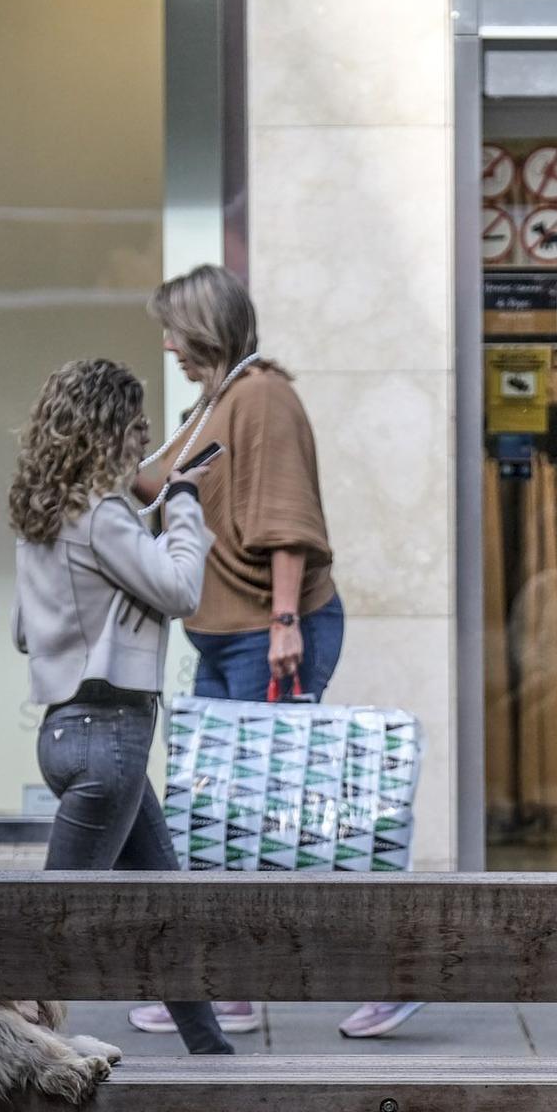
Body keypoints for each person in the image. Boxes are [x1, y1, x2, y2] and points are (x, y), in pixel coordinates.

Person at [137, 265, 410, 1041]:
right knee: (232, 814)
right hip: (232, 637)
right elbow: (162, 486)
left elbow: (286, 515)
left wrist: (286, 622)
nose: (169, 345)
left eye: (178, 330)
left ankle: (394, 970)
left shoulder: (262, 396)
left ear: (210, 329)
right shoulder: (216, 401)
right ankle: (230, 988)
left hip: (271, 633)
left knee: (277, 815)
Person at [9, 357, 231, 1057]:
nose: (144, 435)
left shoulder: (40, 516)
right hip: (111, 737)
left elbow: (24, 629)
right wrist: (184, 504)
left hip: (62, 730)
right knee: (53, 933)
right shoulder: (102, 515)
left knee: (164, 909)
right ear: (110, 426)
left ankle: (213, 1055)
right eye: (135, 420)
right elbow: (181, 588)